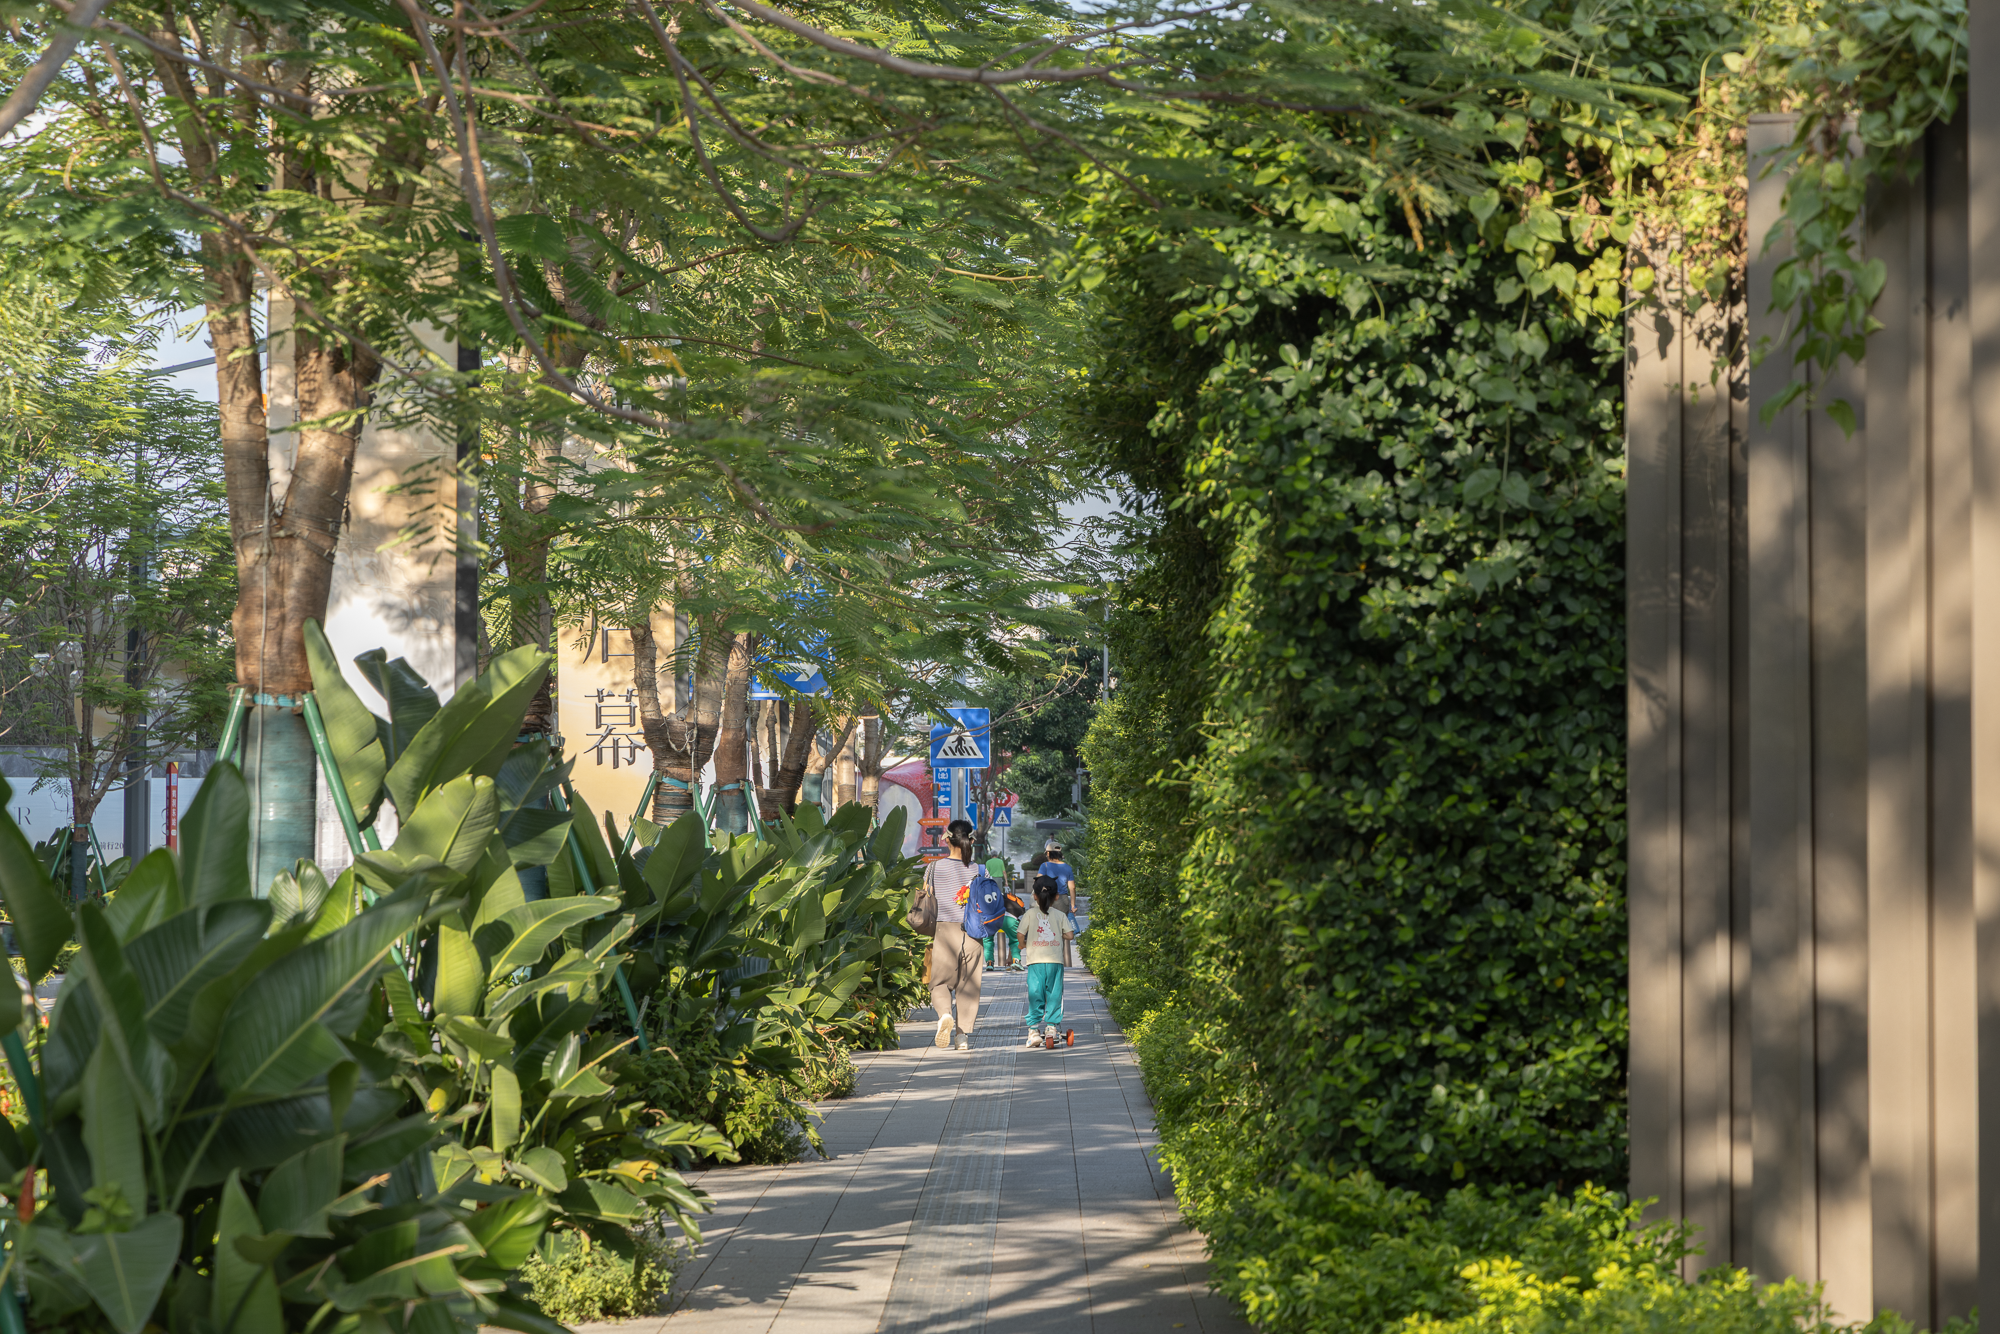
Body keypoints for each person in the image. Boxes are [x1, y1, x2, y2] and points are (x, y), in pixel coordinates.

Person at [923, 819, 985, 1050]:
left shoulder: (934, 868)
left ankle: (944, 1016)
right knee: (968, 986)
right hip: (973, 932)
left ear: (947, 840)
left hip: (944, 930)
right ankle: (962, 1037)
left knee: (939, 982)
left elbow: (926, 898)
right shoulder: (980, 870)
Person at [1019, 874, 1077, 1048]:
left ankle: (1033, 1030)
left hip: (1035, 962)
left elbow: (1020, 934)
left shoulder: (1029, 914)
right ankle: (1051, 1027)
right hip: (1054, 962)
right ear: (1056, 896)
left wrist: (1023, 945)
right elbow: (1070, 934)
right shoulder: (1059, 915)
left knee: (1035, 994)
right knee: (1054, 993)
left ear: (1034, 896)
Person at [981, 856, 1021, 971]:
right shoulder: (1000, 861)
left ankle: (989, 963)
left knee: (988, 940)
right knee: (1014, 939)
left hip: (991, 919)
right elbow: (1004, 871)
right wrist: (1006, 882)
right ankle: (1016, 960)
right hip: (1009, 918)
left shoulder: (987, 862)